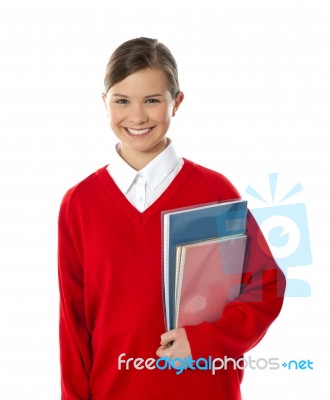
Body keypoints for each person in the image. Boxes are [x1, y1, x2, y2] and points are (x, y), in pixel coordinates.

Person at [58, 37, 286, 400]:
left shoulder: (214, 191)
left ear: (176, 102)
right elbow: (74, 323)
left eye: (152, 100)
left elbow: (265, 285)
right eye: (122, 101)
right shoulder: (79, 204)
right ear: (105, 103)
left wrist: (206, 340)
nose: (136, 116)